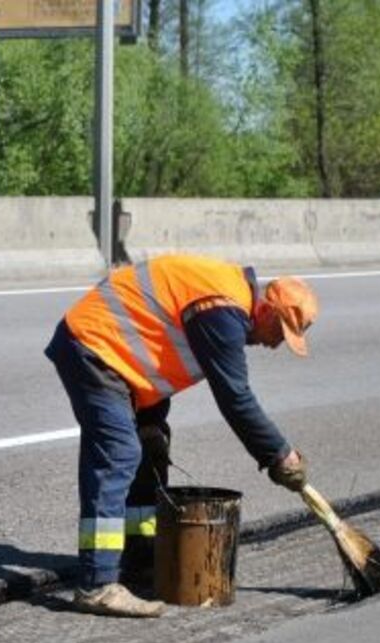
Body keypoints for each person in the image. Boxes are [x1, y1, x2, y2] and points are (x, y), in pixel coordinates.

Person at [45, 253, 319, 617]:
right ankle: (97, 584)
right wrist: (279, 455)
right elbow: (235, 398)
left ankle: (140, 561)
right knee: (119, 453)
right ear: (267, 310)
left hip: (123, 361)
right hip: (95, 347)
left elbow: (160, 336)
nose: (276, 343)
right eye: (280, 333)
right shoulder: (221, 309)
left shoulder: (227, 298)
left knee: (151, 446)